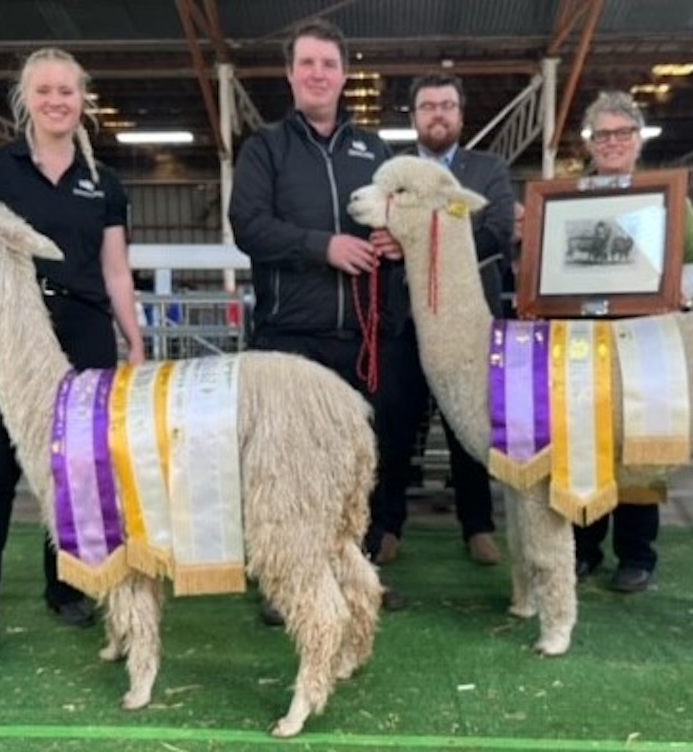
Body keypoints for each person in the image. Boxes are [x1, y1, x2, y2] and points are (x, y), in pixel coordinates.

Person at [0, 48, 146, 676]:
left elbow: (116, 271)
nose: (57, 101)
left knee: (76, 471)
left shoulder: (103, 183)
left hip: (84, 331)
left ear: (83, 99)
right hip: (10, 340)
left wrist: (133, 337)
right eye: (45, 91)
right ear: (25, 98)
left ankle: (66, 588)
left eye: (68, 91)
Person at [228, 18, 424, 620]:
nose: (318, 74)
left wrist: (397, 240)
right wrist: (324, 246)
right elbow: (249, 227)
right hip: (293, 339)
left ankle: (357, 578)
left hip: (366, 336)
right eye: (307, 63)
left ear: (344, 76)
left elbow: (404, 215)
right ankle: (287, 585)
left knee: (362, 463)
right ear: (291, 74)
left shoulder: (376, 151)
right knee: (290, 466)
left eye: (329, 65)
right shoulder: (265, 148)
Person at [572, 90, 693, 593]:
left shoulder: (671, 199)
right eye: (601, 134)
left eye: (621, 133)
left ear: (637, 139)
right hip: (585, 340)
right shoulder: (569, 201)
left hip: (647, 340)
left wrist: (683, 285)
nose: (611, 143)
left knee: (640, 445)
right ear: (589, 142)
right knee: (584, 443)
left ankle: (636, 555)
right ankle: (583, 549)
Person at [384, 73, 515, 566]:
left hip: (470, 327)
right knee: (397, 425)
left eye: (447, 105)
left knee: (472, 428)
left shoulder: (488, 171)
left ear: (461, 114)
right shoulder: (394, 174)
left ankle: (478, 526)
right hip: (406, 322)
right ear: (414, 116)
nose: (437, 114)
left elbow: (499, 230)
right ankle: (387, 524)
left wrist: (426, 248)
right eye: (427, 106)